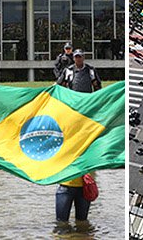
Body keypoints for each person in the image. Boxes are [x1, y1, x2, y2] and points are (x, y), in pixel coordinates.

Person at [54, 49, 101, 222]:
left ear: (84, 58)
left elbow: (97, 87)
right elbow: (59, 87)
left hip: (86, 109)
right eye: (76, 57)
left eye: (80, 57)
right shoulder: (68, 71)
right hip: (73, 108)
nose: (78, 59)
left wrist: (95, 104)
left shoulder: (90, 70)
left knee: (81, 222)